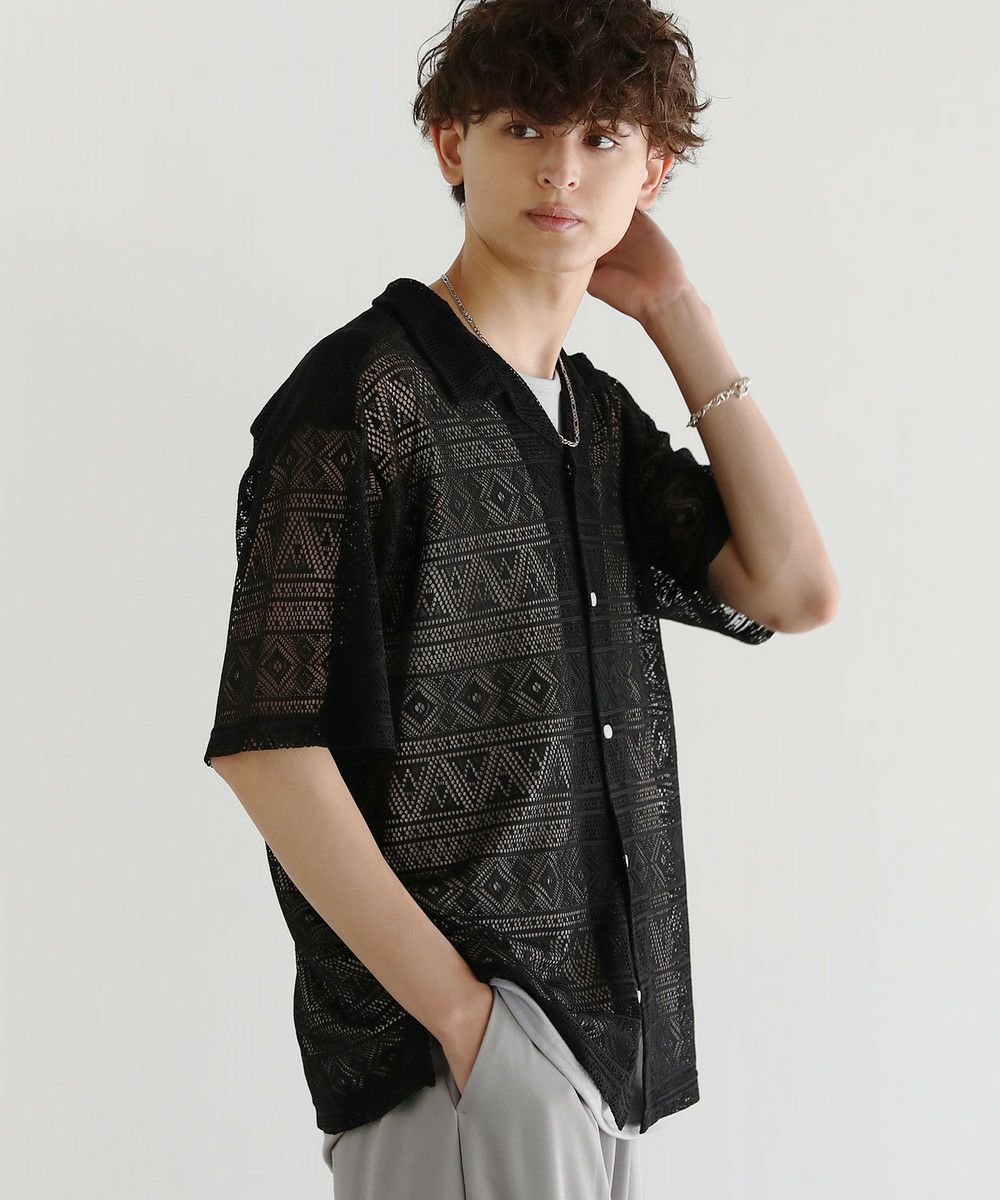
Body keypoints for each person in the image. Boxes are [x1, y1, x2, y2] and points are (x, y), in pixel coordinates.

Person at [202, 2, 838, 1197]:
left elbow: (793, 587)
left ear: (653, 170)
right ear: (452, 143)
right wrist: (462, 1020)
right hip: (459, 1059)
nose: (562, 169)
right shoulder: (363, 398)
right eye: (525, 127)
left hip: (595, 1053)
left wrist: (678, 316)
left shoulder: (592, 417)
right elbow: (270, 748)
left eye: (602, 137)